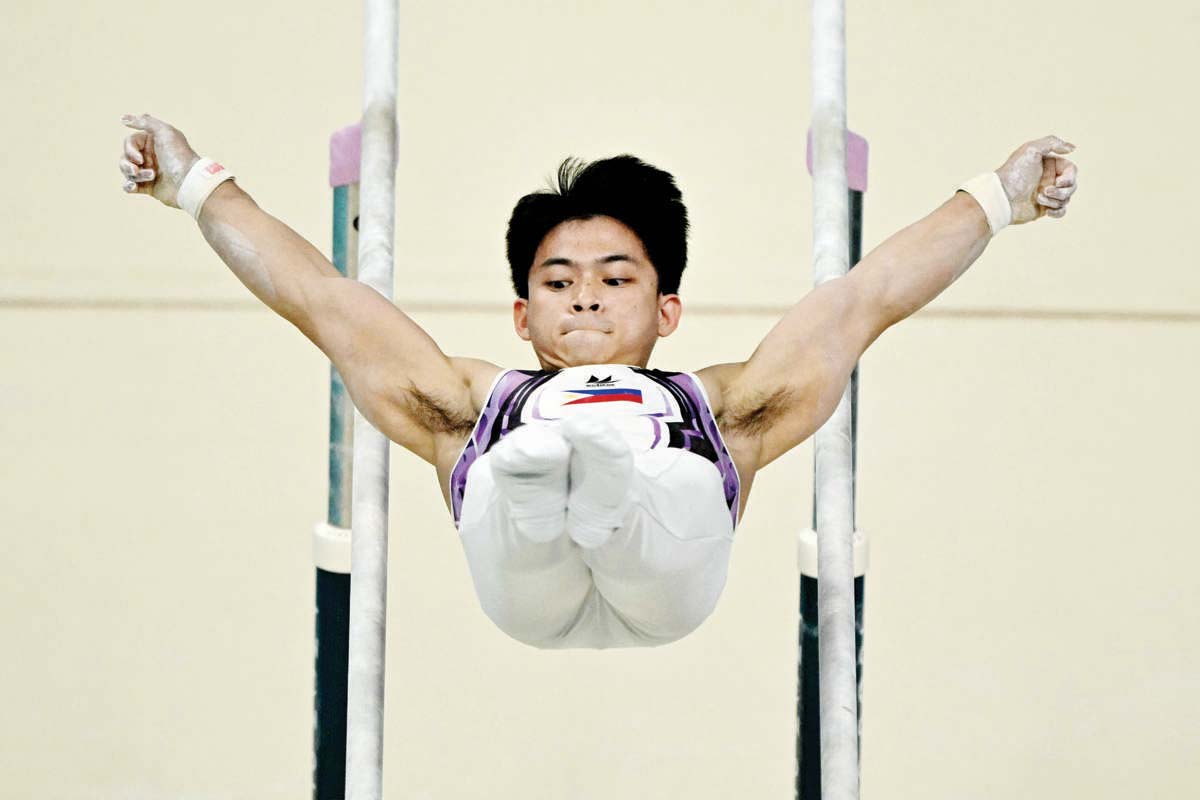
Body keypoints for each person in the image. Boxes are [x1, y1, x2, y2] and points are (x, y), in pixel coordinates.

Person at [117, 113, 1078, 648]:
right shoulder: (469, 402)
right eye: (557, 282)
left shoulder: (723, 405)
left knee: (655, 470)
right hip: (524, 580)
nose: (585, 299)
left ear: (667, 310)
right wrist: (196, 184)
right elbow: (322, 299)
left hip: (668, 572)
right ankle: (555, 483)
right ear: (522, 316)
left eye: (617, 280)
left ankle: (596, 479)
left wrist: (1000, 196)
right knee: (512, 469)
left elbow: (867, 297)